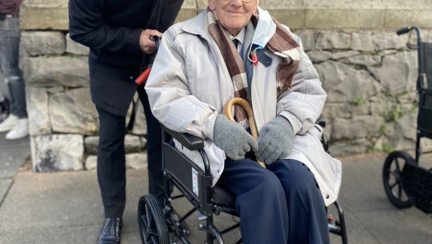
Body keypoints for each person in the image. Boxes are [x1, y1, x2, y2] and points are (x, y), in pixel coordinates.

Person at [146, 0, 342, 243]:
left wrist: (287, 122)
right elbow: (165, 96)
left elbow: (306, 88)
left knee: (301, 182)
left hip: (274, 142)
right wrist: (213, 125)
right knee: (264, 187)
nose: (237, 3)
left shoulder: (278, 36)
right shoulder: (180, 39)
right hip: (219, 151)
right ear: (210, 1)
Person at [68, 0, 183, 243]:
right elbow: (81, 30)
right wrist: (134, 38)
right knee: (110, 137)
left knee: (162, 136)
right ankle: (112, 214)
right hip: (110, 60)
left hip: (157, 58)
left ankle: (161, 207)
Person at [0, 0, 29, 140]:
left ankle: (23, 120)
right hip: (6, 18)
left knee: (13, 72)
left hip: (9, 19)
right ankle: (15, 114)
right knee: (7, 71)